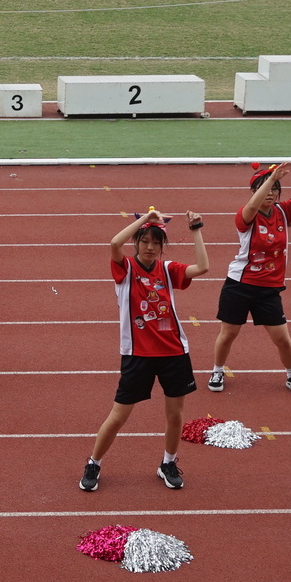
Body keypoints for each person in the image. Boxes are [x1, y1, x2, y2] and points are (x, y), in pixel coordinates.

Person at [79, 209, 212, 493]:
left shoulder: (168, 269)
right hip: (138, 355)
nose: (150, 247)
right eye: (145, 241)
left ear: (162, 247)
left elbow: (203, 267)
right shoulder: (125, 268)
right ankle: (94, 463)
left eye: (156, 242)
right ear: (137, 242)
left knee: (175, 415)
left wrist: (196, 229)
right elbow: (114, 243)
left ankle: (168, 463)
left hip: (174, 353)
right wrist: (145, 219)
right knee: (118, 416)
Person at [209, 157, 291, 397]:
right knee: (228, 334)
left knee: (282, 339)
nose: (270, 193)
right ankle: (217, 371)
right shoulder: (245, 215)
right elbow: (252, 206)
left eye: (274, 189)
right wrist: (270, 178)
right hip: (239, 285)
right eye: (265, 189)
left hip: (269, 289)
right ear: (253, 192)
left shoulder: (283, 211)